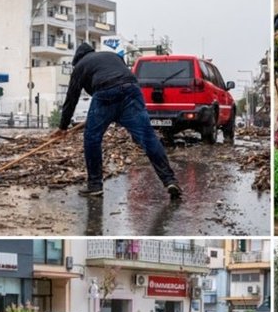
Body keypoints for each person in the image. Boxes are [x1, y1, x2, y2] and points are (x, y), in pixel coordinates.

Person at [52, 43, 182, 198]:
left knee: (92, 138)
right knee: (148, 137)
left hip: (105, 94)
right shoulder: (112, 56)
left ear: (77, 58)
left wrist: (63, 127)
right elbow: (121, 75)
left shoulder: (80, 66)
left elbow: (71, 98)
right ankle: (170, 180)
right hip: (131, 90)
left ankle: (95, 185)